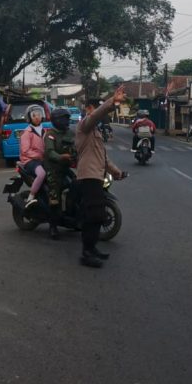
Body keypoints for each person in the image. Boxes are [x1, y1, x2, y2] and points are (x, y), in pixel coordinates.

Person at [75, 86, 127, 268]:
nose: (96, 110)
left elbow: (103, 158)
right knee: (94, 215)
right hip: (88, 177)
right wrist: (112, 101)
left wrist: (117, 172)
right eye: (94, 107)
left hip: (97, 177)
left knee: (97, 215)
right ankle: (86, 253)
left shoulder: (96, 133)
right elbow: (96, 115)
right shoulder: (84, 127)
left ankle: (92, 248)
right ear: (88, 109)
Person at [42, 107, 75, 240]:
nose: (67, 121)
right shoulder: (50, 134)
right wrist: (62, 157)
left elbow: (76, 146)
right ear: (57, 120)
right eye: (64, 119)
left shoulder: (70, 133)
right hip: (53, 169)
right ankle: (53, 226)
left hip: (65, 168)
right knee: (54, 196)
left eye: (68, 119)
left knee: (77, 184)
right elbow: (50, 153)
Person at [18, 104, 47, 208]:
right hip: (30, 161)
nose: (37, 117)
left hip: (41, 159)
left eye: (38, 115)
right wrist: (39, 155)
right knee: (41, 174)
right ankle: (31, 195)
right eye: (34, 115)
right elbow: (25, 151)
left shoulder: (44, 131)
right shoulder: (27, 132)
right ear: (29, 117)